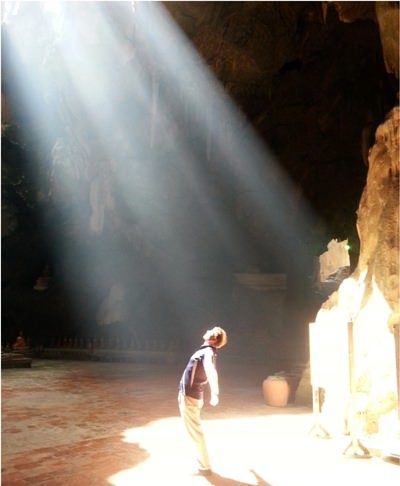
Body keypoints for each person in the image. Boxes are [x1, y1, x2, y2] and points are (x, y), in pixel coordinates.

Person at [178, 326, 228, 476]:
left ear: (213, 338)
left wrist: (215, 393)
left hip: (190, 397)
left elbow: (211, 371)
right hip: (190, 396)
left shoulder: (207, 352)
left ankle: (204, 466)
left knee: (195, 432)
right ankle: (201, 463)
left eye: (210, 331)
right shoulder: (207, 351)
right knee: (194, 431)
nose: (207, 331)